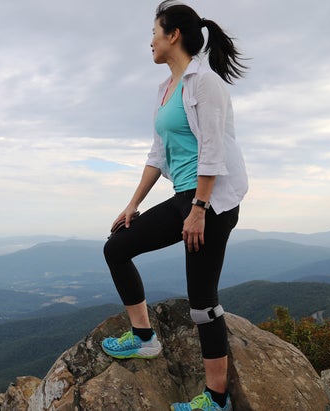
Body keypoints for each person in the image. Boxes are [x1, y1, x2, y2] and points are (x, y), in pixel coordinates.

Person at [100, 1, 248, 410]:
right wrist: (133, 204)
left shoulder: (205, 83)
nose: (150, 41)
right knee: (117, 246)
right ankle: (144, 338)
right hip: (186, 198)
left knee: (202, 302)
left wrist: (199, 208)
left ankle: (217, 399)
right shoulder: (165, 89)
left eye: (154, 32)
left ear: (173, 35)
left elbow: (213, 149)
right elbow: (157, 153)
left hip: (212, 202)